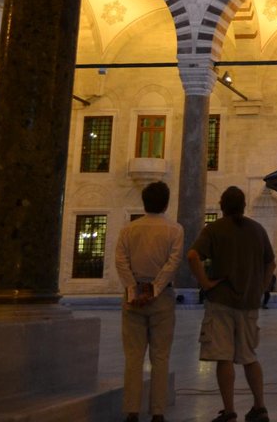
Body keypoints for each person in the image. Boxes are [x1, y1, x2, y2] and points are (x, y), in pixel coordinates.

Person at [188, 186, 276, 422]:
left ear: (222, 205)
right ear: (244, 205)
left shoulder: (215, 229)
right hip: (249, 304)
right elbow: (271, 263)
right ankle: (260, 407)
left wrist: (205, 283)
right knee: (249, 356)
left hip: (221, 303)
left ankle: (229, 411)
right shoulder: (257, 229)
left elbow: (193, 256)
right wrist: (261, 288)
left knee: (224, 357)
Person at [115, 181, 184, 422]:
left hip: (133, 301)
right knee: (160, 357)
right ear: (166, 203)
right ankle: (157, 413)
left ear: (144, 203)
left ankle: (132, 412)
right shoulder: (175, 230)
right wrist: (154, 289)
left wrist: (133, 290)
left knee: (133, 357)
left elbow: (121, 262)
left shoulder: (128, 230)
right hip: (161, 299)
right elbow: (172, 264)